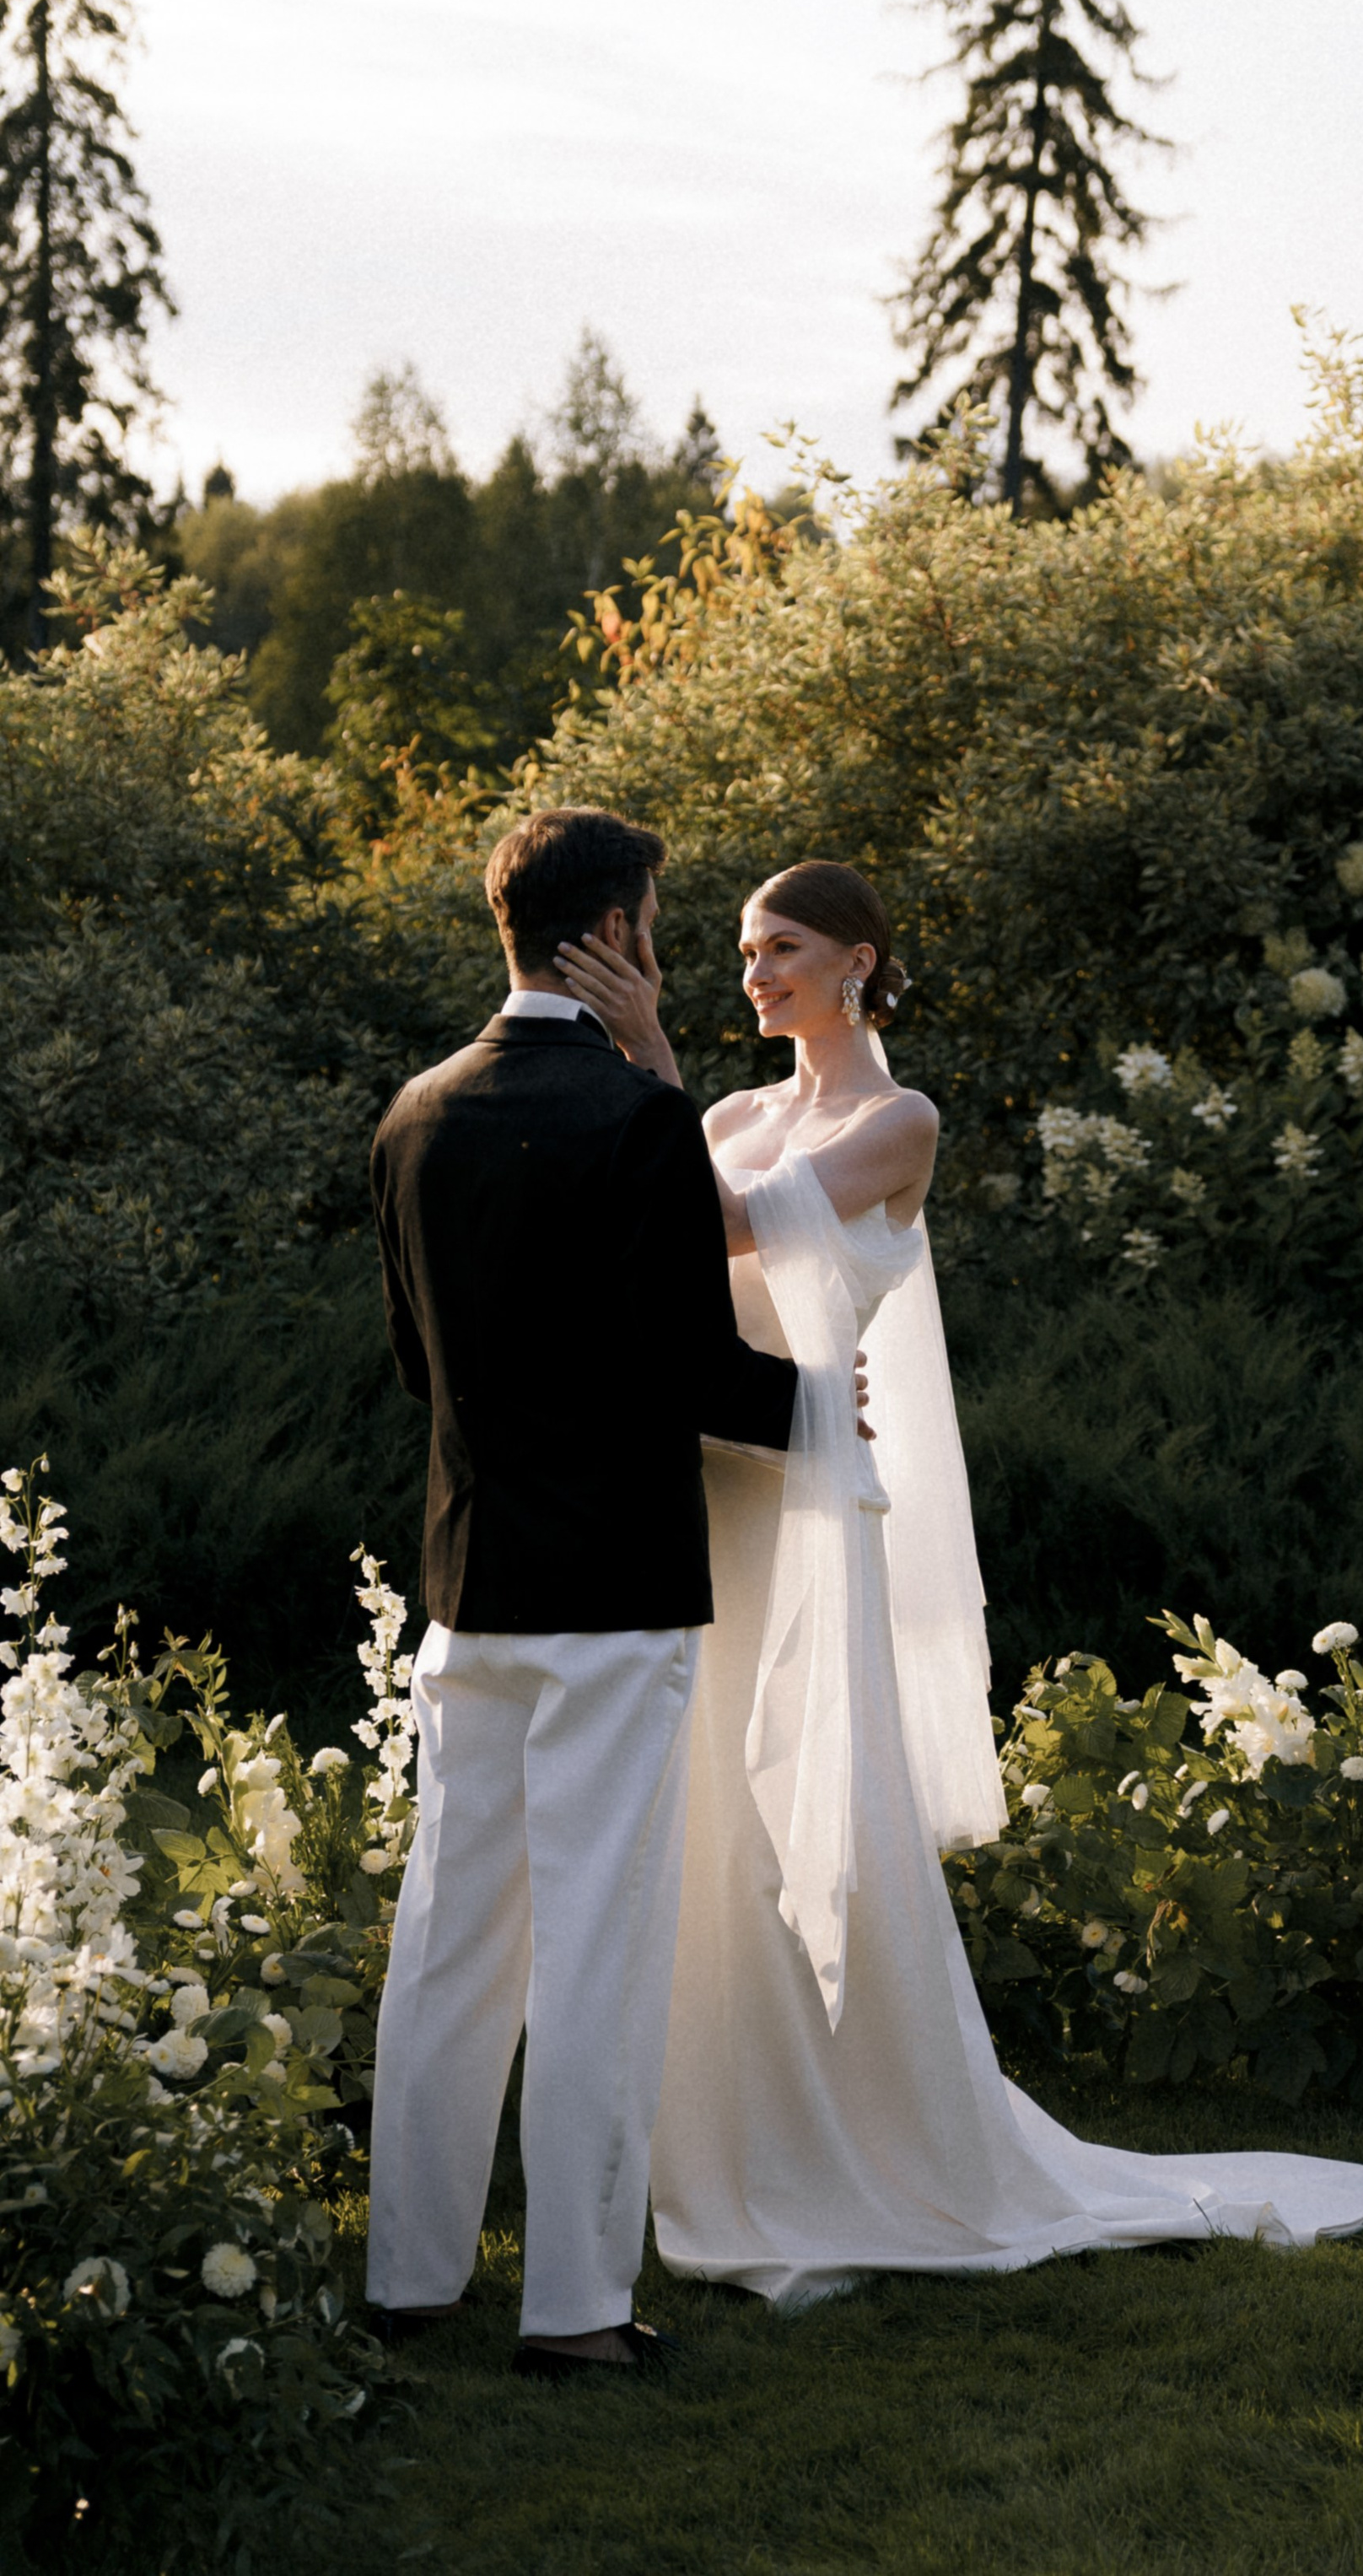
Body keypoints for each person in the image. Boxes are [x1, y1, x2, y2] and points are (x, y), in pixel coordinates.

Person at [554, 856, 1363, 2309]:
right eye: (745, 950)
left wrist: (644, 1058)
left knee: (825, 1811)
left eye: (784, 949)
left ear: (862, 964)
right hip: (717, 1499)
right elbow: (659, 1242)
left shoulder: (902, 1122)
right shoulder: (733, 1114)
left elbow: (729, 1231)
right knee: (719, 1830)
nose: (754, 971)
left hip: (820, 1504)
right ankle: (733, 2141)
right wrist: (667, 1085)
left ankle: (890, 2144)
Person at [364, 806, 802, 2376]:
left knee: (449, 1934)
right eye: (658, 920)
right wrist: (822, 1412)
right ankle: (577, 2314)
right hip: (613, 1590)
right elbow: (694, 1366)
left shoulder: (411, 1115)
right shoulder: (634, 1121)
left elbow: (421, 1367)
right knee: (600, 1946)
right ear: (614, 933)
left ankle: (407, 2284)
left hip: (469, 1585)